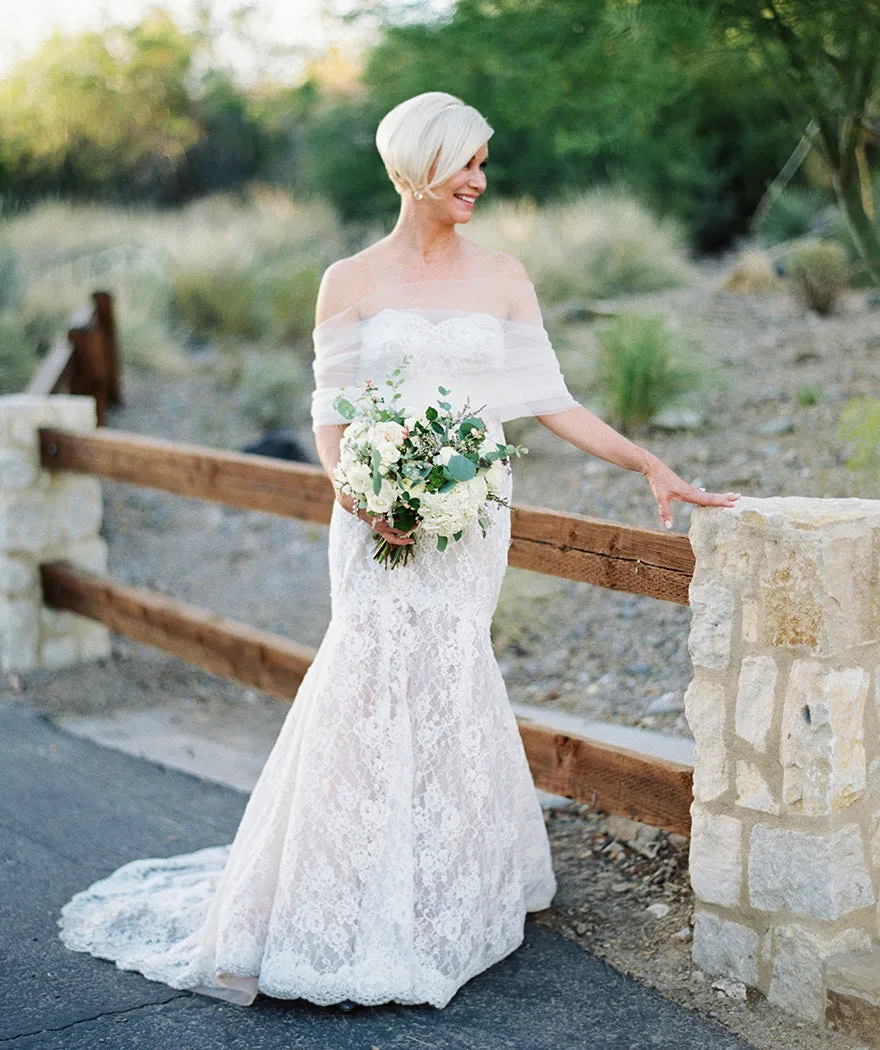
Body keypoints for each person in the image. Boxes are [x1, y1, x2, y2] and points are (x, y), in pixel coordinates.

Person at [57, 90, 739, 1012]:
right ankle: (337, 894)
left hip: (471, 518)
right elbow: (330, 415)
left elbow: (552, 400)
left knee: (451, 677)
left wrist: (646, 460)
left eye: (484, 164)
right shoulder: (349, 279)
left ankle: (443, 891)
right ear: (417, 165)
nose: (480, 182)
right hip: (372, 519)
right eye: (465, 164)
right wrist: (361, 491)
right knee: (369, 679)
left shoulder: (502, 275)